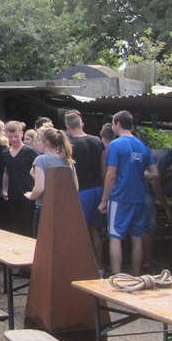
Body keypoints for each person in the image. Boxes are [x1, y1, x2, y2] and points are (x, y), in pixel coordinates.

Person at [99, 111, 158, 276]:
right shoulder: (142, 146)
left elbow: (111, 174)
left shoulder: (115, 145)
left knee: (115, 236)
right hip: (139, 197)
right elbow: (155, 173)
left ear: (117, 124)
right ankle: (136, 275)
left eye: (113, 123)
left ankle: (117, 277)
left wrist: (104, 201)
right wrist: (140, 174)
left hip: (120, 197)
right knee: (136, 237)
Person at [64, 110, 106, 268]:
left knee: (80, 231)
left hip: (82, 191)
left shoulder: (70, 146)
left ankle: (81, 267)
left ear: (68, 127)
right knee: (95, 229)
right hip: (98, 188)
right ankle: (99, 267)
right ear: (82, 124)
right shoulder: (97, 141)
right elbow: (103, 166)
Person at [24, 127, 77, 237]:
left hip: (44, 209)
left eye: (39, 140)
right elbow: (75, 188)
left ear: (46, 142)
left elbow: (39, 188)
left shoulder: (41, 160)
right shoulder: (68, 161)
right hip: (62, 209)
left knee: (40, 242)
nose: (37, 143)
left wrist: (31, 196)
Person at [2, 121, 37, 236]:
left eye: (16, 136)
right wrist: (4, 189)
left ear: (21, 133)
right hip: (13, 194)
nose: (14, 139)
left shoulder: (30, 152)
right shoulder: (5, 153)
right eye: (11, 136)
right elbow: (6, 172)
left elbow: (38, 172)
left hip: (28, 194)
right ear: (6, 135)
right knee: (16, 227)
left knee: (28, 226)